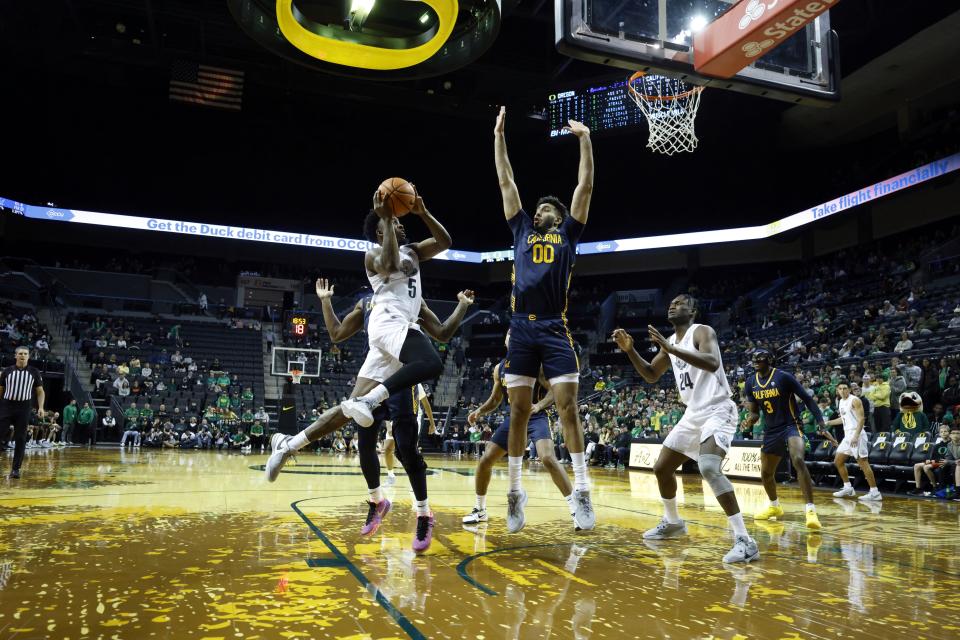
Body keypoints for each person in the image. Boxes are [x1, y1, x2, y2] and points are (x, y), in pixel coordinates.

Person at [272, 276, 473, 552]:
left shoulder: (412, 297)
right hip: (374, 373)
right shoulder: (366, 302)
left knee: (406, 450)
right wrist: (326, 302)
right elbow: (337, 334)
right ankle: (377, 500)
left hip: (402, 379)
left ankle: (424, 514)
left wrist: (462, 306)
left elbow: (442, 333)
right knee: (365, 442)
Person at [492, 105, 595, 533]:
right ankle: (515, 493)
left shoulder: (569, 233)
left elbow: (585, 185)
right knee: (518, 412)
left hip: (555, 326)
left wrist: (585, 140)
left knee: (568, 409)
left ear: (558, 214)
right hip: (520, 327)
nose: (537, 213)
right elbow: (505, 180)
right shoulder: (519, 230)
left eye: (545, 210)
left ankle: (584, 492)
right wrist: (499, 137)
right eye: (536, 210)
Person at [612, 295, 759, 564]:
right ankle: (673, 522)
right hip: (692, 413)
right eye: (670, 302)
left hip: (718, 408)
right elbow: (651, 374)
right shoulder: (670, 344)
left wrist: (670, 348)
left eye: (679, 303)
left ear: (692, 310)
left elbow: (712, 362)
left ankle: (745, 540)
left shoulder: (702, 331)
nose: (672, 305)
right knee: (661, 468)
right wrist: (630, 350)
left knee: (710, 468)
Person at [462, 331, 581, 529]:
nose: (512, 335)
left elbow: (554, 391)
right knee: (485, 460)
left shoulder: (536, 363)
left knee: (547, 458)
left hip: (536, 417)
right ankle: (480, 510)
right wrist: (480, 411)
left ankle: (575, 509)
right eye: (509, 333)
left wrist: (539, 405)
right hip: (515, 419)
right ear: (506, 340)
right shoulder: (499, 368)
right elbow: (495, 399)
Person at [741, 349, 834, 530]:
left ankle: (810, 511)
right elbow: (754, 412)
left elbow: (807, 399)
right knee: (766, 474)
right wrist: (750, 420)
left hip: (791, 425)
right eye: (753, 359)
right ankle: (774, 507)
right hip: (771, 430)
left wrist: (821, 422)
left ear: (769, 360)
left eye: (759, 359)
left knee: (798, 459)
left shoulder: (784, 377)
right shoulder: (750, 382)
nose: (755, 362)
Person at [827, 383, 882, 501]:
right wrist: (828, 423)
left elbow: (862, 418)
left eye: (845, 388)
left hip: (857, 434)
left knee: (863, 462)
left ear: (850, 389)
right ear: (837, 390)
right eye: (840, 388)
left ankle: (875, 492)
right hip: (847, 436)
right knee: (838, 461)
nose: (842, 390)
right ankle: (848, 488)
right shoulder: (841, 401)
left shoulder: (855, 400)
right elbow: (843, 419)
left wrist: (856, 435)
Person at [0, 346, 47, 479]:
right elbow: (1, 389)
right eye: (20, 353)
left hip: (24, 407)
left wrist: (41, 407)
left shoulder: (34, 372)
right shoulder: (7, 371)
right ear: (15, 356)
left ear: (28, 356)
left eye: (25, 354)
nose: (22, 355)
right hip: (6, 406)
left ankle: (15, 469)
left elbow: (40, 391)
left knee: (21, 439)